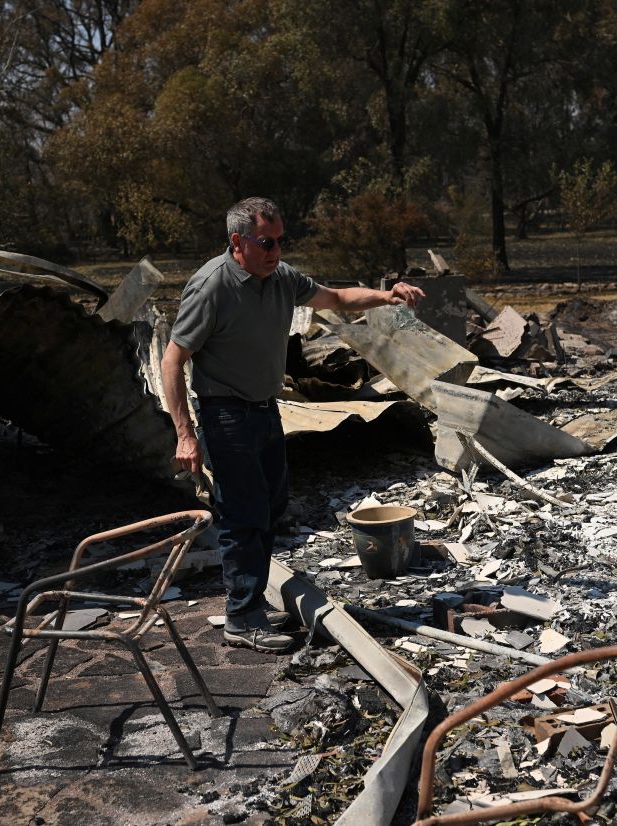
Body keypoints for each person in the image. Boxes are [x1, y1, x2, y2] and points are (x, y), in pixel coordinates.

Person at [160, 197, 424, 653]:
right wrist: (185, 434)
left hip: (264, 409)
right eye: (267, 242)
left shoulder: (281, 278)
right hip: (224, 413)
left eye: (281, 240)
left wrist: (387, 296)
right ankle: (242, 617)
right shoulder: (212, 287)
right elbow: (171, 359)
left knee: (271, 505)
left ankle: (253, 603)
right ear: (238, 242)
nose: (276, 250)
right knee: (244, 514)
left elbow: (337, 299)